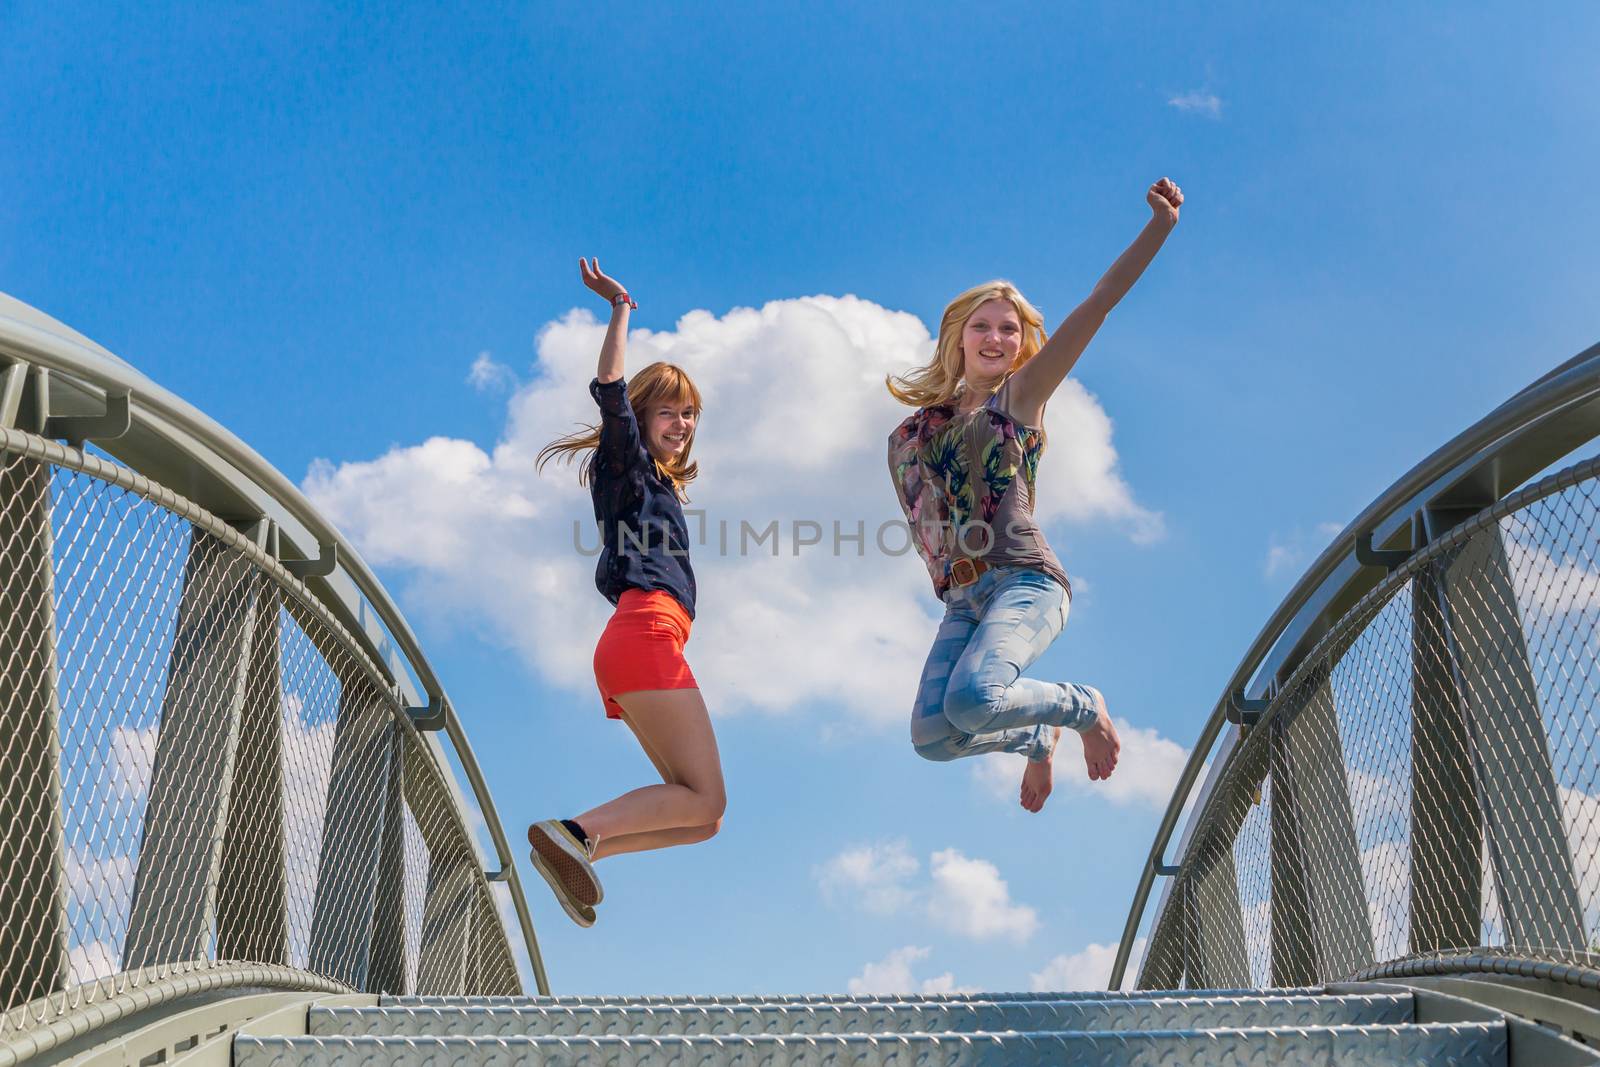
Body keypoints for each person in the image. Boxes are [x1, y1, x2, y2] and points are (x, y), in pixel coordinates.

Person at [886, 178, 1184, 813]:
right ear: (957, 337)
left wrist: (1158, 228)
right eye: (983, 327)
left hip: (1025, 582)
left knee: (972, 700)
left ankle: (1081, 706)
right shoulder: (914, 431)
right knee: (932, 737)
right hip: (961, 600)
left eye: (1011, 330)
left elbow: (1098, 305)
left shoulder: (1017, 402)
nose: (997, 339)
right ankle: (1035, 736)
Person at [529, 259, 726, 926]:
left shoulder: (658, 486)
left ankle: (579, 850)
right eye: (668, 410)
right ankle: (577, 833)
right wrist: (619, 309)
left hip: (643, 639)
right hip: (644, 633)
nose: (682, 422)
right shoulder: (629, 467)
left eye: (691, 412)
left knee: (701, 817)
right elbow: (609, 387)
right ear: (641, 417)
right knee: (706, 796)